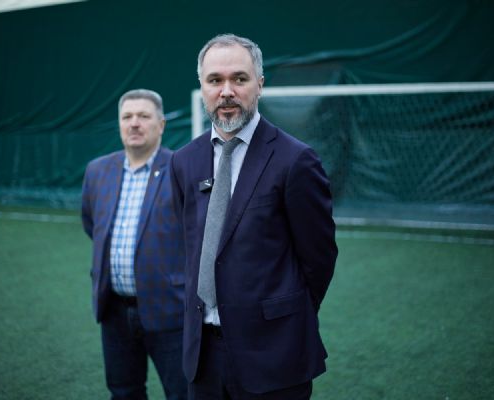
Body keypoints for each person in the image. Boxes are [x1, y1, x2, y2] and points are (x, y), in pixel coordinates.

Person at [170, 34, 338, 399]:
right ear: (202, 87)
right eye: (215, 80)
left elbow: (319, 259)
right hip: (203, 356)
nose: (226, 91)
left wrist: (283, 317)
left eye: (239, 79)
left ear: (259, 84)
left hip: (274, 354)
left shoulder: (296, 160)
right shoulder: (183, 161)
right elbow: (190, 246)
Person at [81, 89, 187, 400]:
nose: (134, 123)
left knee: (185, 393)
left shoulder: (183, 169)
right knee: (124, 392)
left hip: (171, 310)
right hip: (115, 311)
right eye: (127, 117)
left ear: (161, 124)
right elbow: (93, 225)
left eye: (143, 116)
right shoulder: (97, 170)